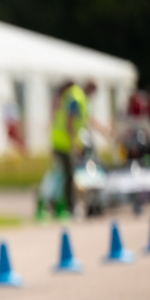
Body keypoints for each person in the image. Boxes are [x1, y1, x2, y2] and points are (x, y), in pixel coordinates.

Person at [50, 80, 96, 215]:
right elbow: (70, 120)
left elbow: (86, 119)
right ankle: (66, 206)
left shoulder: (73, 96)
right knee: (69, 175)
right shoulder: (77, 97)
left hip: (61, 141)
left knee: (63, 175)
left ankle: (59, 204)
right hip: (64, 143)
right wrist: (74, 143)